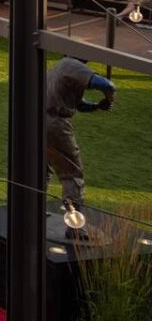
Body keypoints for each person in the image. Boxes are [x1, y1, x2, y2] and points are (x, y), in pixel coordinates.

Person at [46, 55, 116, 216]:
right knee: (72, 174)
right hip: (56, 124)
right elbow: (108, 86)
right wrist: (109, 99)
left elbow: (80, 105)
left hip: (40, 119)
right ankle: (75, 223)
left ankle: (33, 210)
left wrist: (97, 106)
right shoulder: (73, 65)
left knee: (42, 169)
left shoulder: (60, 66)